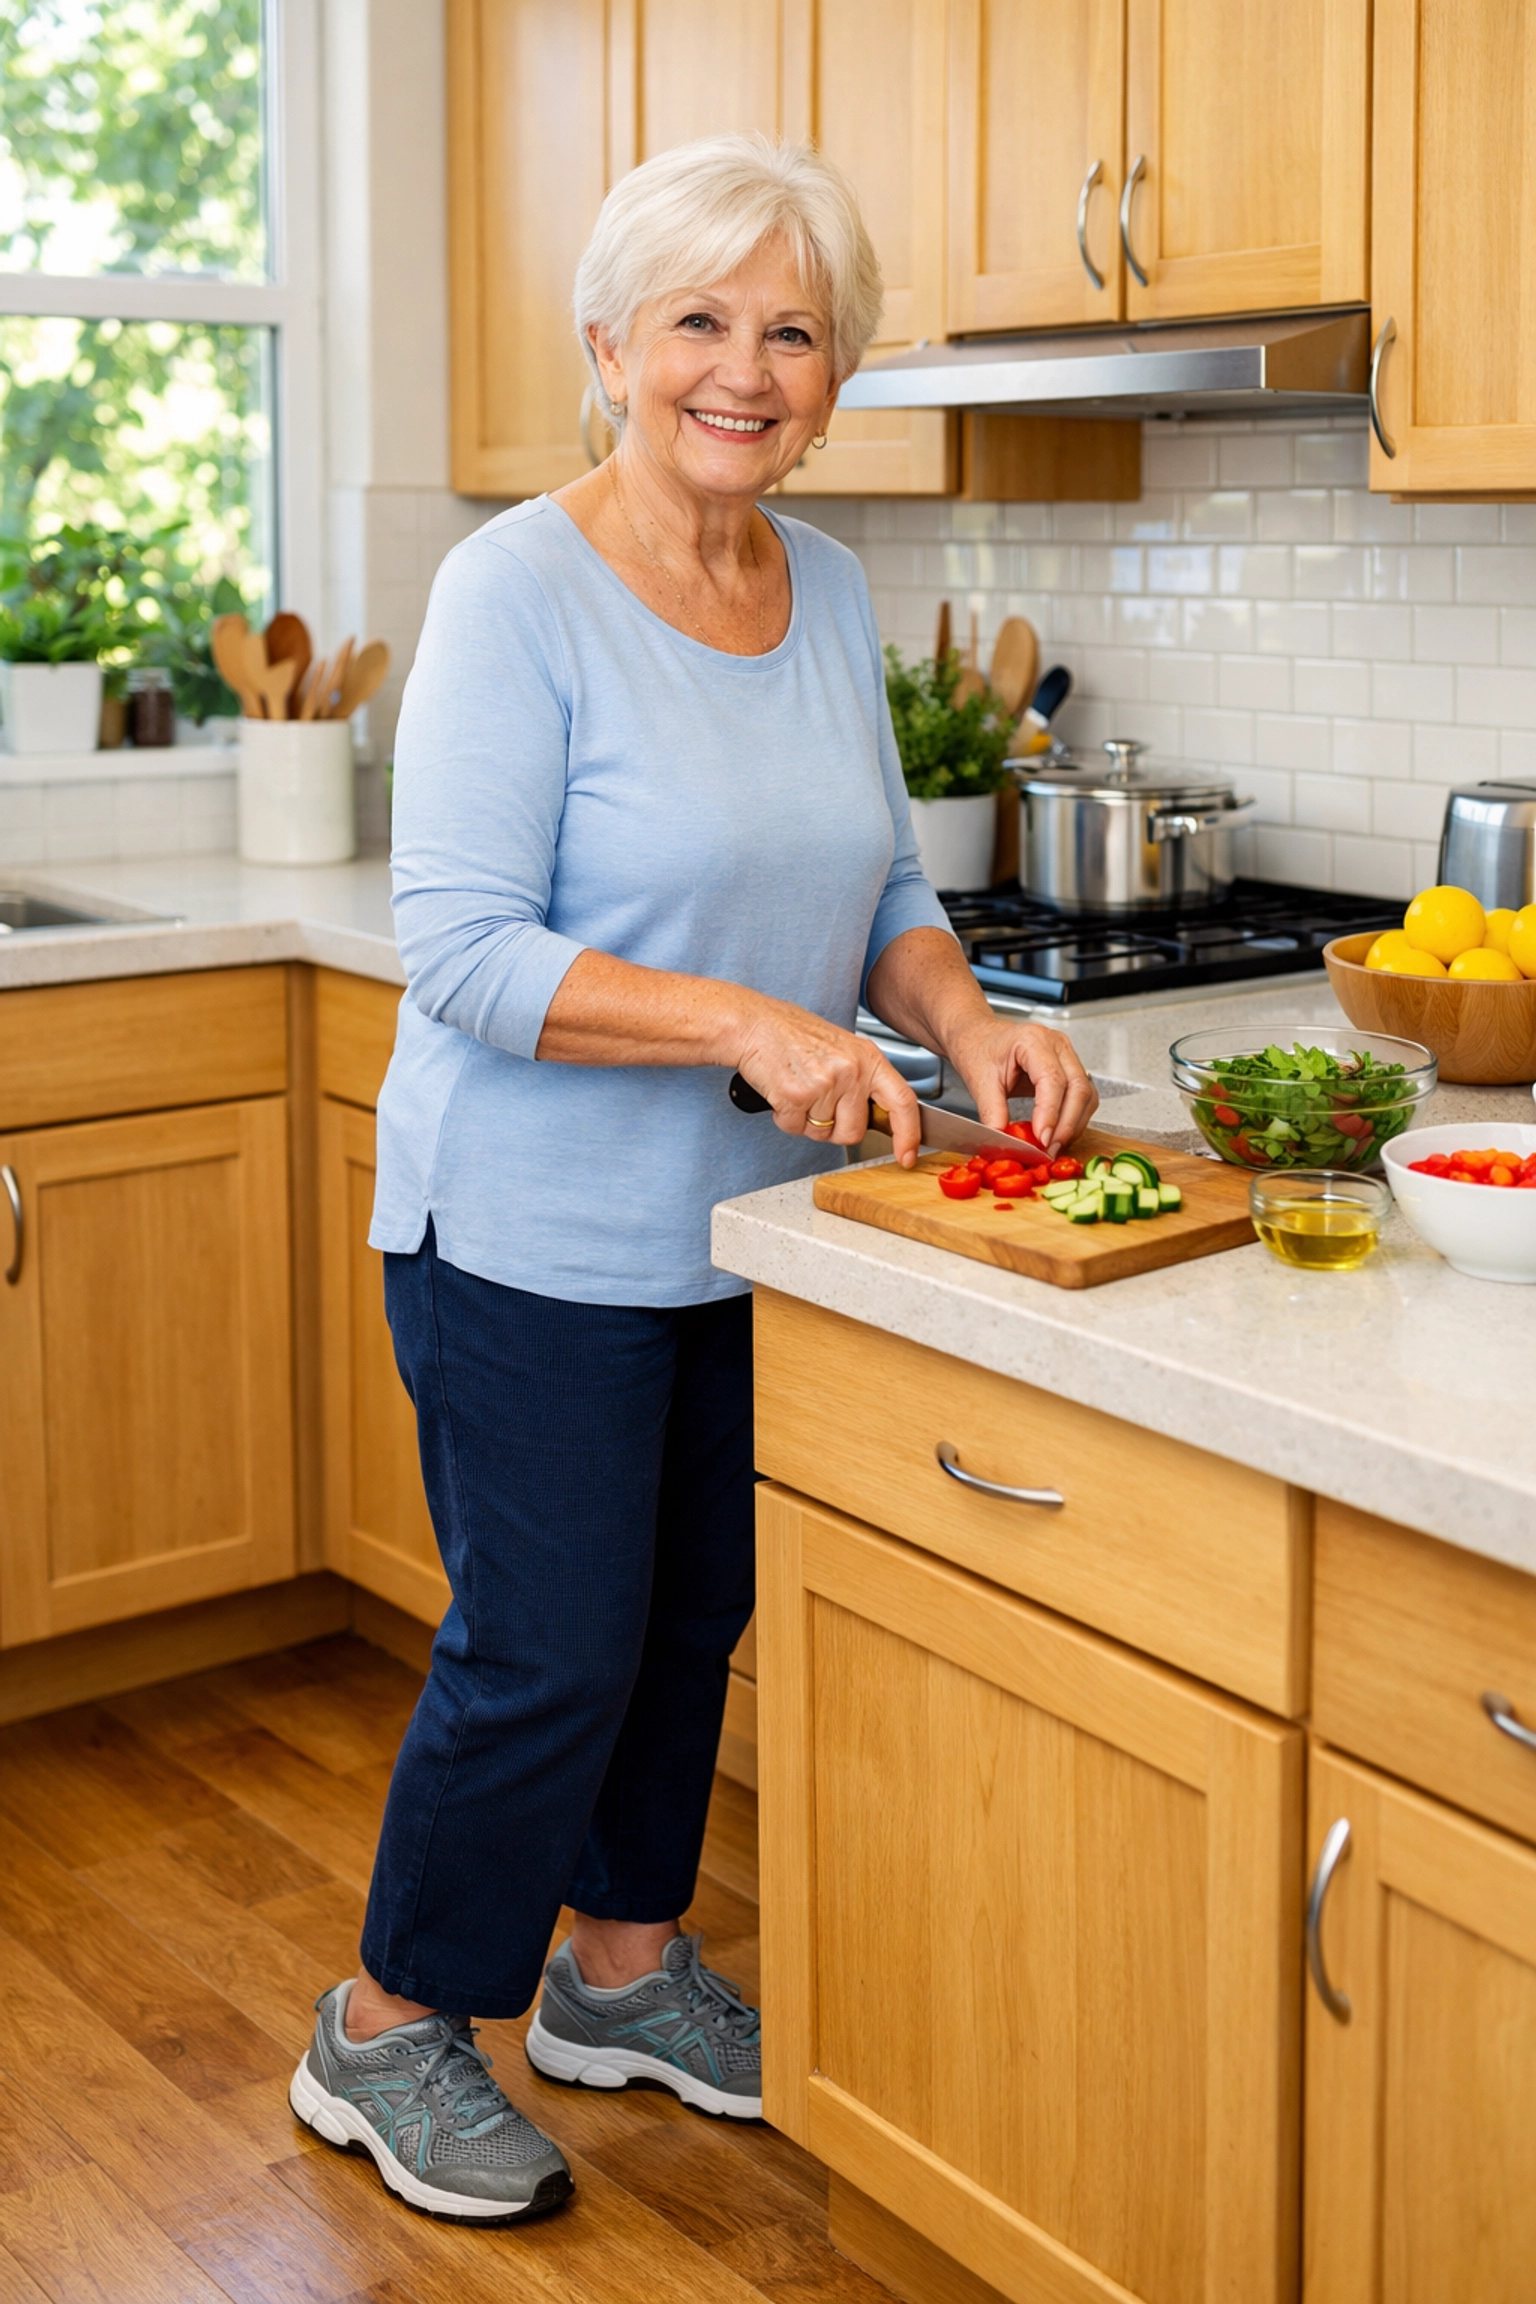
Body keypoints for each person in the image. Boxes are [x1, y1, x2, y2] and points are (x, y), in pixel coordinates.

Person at [289, 133, 1098, 2225]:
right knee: (548, 1646)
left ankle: (621, 1971)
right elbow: (461, 947)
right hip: (527, 1237)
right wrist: (754, 1029)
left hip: (749, 1235)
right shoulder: (514, 589)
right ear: (611, 347)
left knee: (691, 1620)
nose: (746, 368)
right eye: (701, 323)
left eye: (793, 329)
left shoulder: (823, 587)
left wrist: (966, 1008)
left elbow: (885, 884)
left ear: (838, 373)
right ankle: (388, 2025)